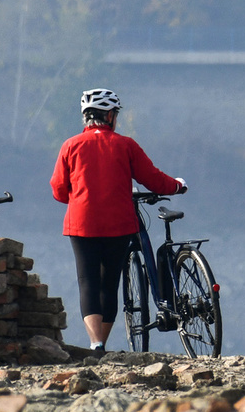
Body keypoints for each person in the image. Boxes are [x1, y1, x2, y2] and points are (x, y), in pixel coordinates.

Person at [51, 89, 185, 352]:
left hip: (82, 223)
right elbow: (154, 179)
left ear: (86, 118)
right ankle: (104, 341)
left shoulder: (70, 145)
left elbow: (58, 189)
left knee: (87, 280)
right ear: (110, 116)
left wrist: (79, 198)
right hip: (119, 224)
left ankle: (95, 343)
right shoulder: (126, 145)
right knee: (109, 282)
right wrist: (178, 186)